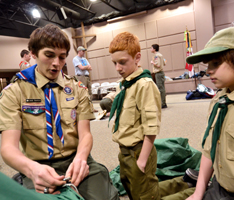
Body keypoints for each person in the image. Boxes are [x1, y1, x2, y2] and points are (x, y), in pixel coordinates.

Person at [0, 24, 119, 200]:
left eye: (62, 57)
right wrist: (31, 170)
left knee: (104, 196)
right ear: (33, 53)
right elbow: (8, 147)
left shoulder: (77, 89)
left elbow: (85, 134)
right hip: (38, 164)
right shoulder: (14, 92)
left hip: (75, 159)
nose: (57, 63)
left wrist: (81, 158)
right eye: (49, 55)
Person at [185, 27, 234, 200]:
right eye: (208, 65)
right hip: (219, 186)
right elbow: (210, 150)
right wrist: (198, 192)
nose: (208, 71)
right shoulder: (219, 100)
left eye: (215, 63)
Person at [109, 32, 161, 199]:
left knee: (146, 195)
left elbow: (151, 126)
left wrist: (142, 160)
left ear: (137, 57)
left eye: (122, 62)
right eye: (115, 63)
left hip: (139, 152)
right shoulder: (125, 84)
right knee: (133, 192)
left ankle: (190, 189)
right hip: (124, 153)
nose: (118, 68)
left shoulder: (144, 85)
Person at [151, 44, 167, 108]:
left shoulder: (156, 56)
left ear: (154, 49)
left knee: (160, 88)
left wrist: (153, 63)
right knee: (162, 88)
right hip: (161, 73)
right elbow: (164, 63)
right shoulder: (161, 55)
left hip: (158, 73)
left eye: (151, 48)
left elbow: (158, 65)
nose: (151, 49)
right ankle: (163, 102)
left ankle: (163, 104)